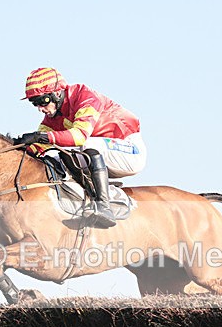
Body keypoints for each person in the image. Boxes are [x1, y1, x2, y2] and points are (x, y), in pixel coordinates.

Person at [13, 67, 146, 228]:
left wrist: (42, 137)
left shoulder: (85, 97)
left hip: (130, 150)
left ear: (57, 93)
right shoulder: (53, 118)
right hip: (103, 154)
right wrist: (14, 146)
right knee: (55, 156)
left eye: (43, 101)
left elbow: (79, 136)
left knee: (84, 144)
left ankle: (105, 207)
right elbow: (37, 148)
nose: (40, 108)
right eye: (35, 104)